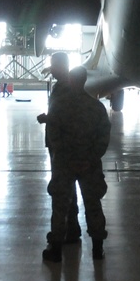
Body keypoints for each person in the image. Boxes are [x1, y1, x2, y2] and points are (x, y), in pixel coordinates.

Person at [42, 66, 111, 262]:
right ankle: (97, 249)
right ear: (85, 81)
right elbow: (103, 138)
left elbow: (53, 136)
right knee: (93, 205)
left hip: (65, 164)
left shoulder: (59, 107)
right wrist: (89, 159)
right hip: (90, 166)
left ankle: (56, 249)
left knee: (60, 207)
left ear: (71, 81)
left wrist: (67, 159)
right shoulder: (97, 107)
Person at [37, 51, 82, 242]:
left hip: (64, 147)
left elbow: (68, 116)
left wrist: (48, 119)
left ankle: (64, 230)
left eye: (54, 64)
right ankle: (72, 227)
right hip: (58, 144)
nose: (51, 68)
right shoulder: (63, 85)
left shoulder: (67, 87)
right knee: (67, 187)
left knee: (62, 187)